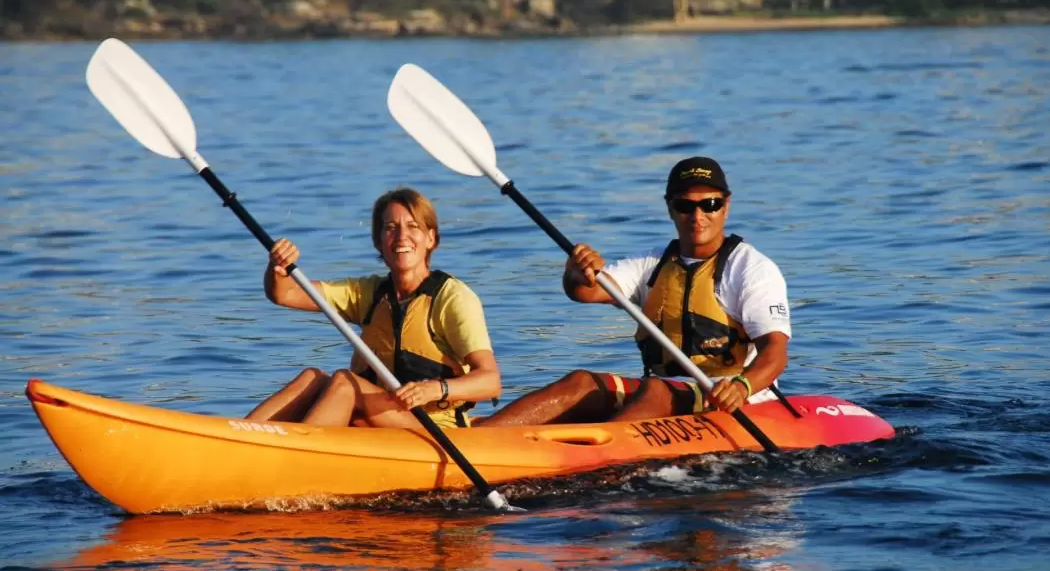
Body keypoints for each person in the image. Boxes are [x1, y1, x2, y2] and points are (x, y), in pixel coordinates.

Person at [475, 156, 790, 426]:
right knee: (581, 382)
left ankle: (597, 455)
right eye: (685, 206)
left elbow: (774, 352)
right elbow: (587, 292)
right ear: (670, 208)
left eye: (709, 204)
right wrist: (576, 272)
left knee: (656, 391)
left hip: (730, 398)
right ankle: (479, 438)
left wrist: (742, 386)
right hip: (669, 390)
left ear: (725, 206)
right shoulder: (651, 263)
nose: (697, 216)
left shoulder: (752, 268)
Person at [246, 188, 500, 429]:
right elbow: (285, 293)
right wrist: (278, 268)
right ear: (379, 241)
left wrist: (435, 389)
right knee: (312, 378)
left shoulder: (453, 298)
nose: (401, 237)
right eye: (390, 228)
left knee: (346, 383)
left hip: (435, 429)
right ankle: (244, 436)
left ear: (430, 238)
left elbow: (491, 381)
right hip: (379, 417)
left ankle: (292, 458)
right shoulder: (368, 293)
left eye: (413, 227)